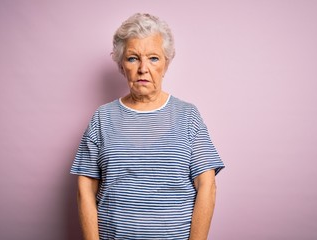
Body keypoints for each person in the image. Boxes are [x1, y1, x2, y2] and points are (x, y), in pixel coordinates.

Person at [70, 13, 225, 240]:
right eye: (133, 58)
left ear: (166, 63)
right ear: (122, 65)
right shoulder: (102, 118)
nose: (143, 68)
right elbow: (85, 188)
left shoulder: (187, 115)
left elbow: (207, 185)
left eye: (153, 58)